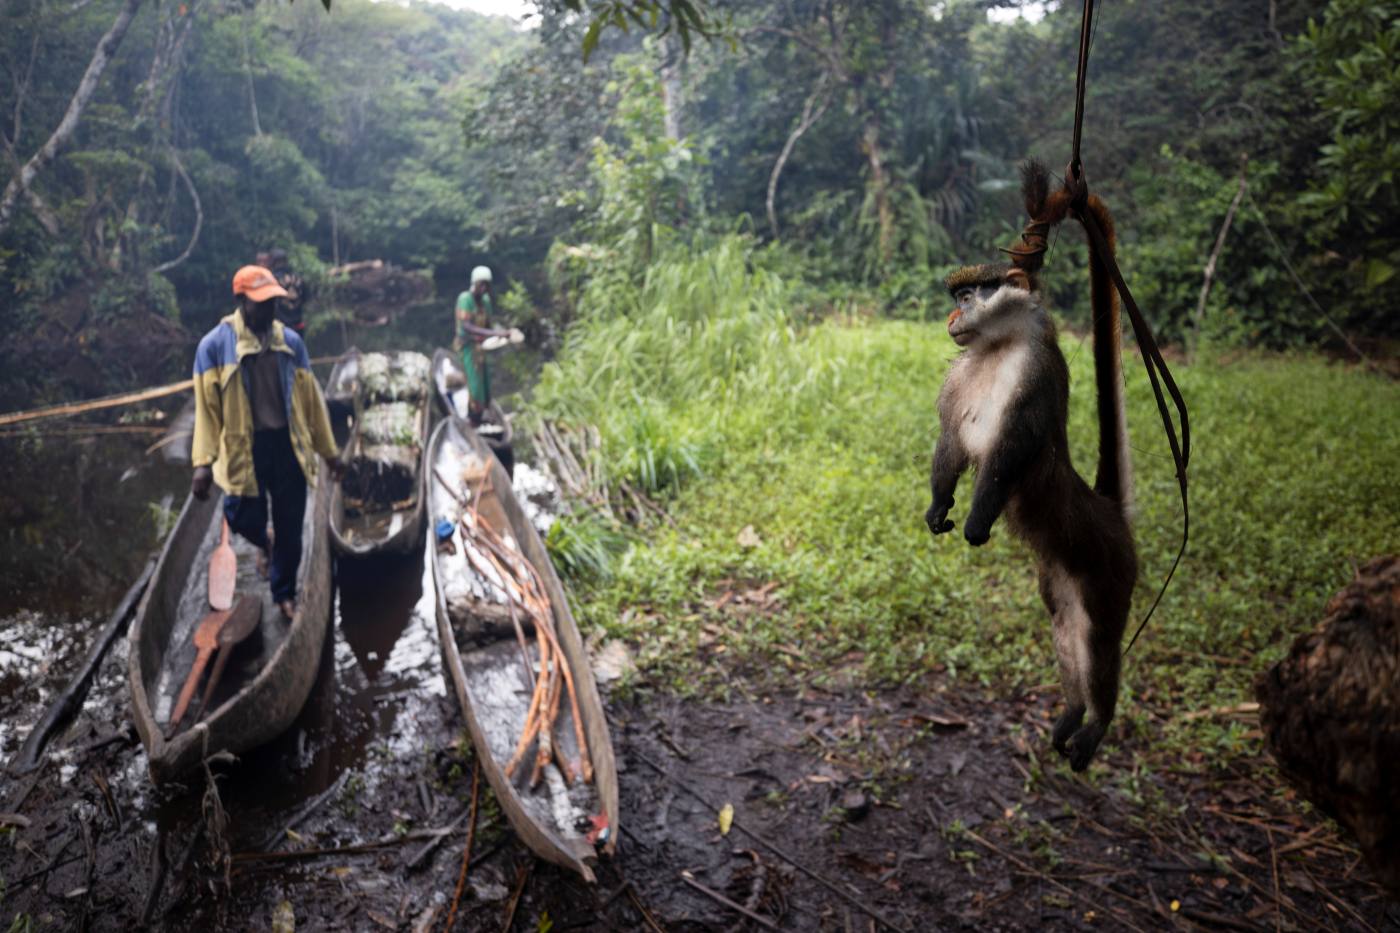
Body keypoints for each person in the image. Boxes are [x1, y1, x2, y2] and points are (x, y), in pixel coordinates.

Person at [190, 265, 343, 619]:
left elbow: (312, 403)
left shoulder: (290, 343)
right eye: (261, 303)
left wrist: (329, 453)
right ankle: (265, 541)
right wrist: (203, 463)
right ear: (241, 301)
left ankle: (284, 593)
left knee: (292, 523)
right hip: (246, 448)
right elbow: (207, 411)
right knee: (240, 515)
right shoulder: (214, 347)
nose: (270, 310)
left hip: (288, 445)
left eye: (273, 302)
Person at [452, 264, 523, 423]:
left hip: (481, 347)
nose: (483, 288)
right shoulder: (465, 299)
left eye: (486, 285)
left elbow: (489, 326)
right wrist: (497, 334)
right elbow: (467, 326)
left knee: (484, 381)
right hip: (467, 346)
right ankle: (473, 417)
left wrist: (504, 334)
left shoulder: (485, 301)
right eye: (481, 284)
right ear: (474, 284)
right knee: (474, 382)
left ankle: (485, 410)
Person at [266, 248, 308, 334]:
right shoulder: (298, 278)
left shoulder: (270, 280)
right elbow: (306, 299)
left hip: (279, 329)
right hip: (298, 327)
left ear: (272, 262)